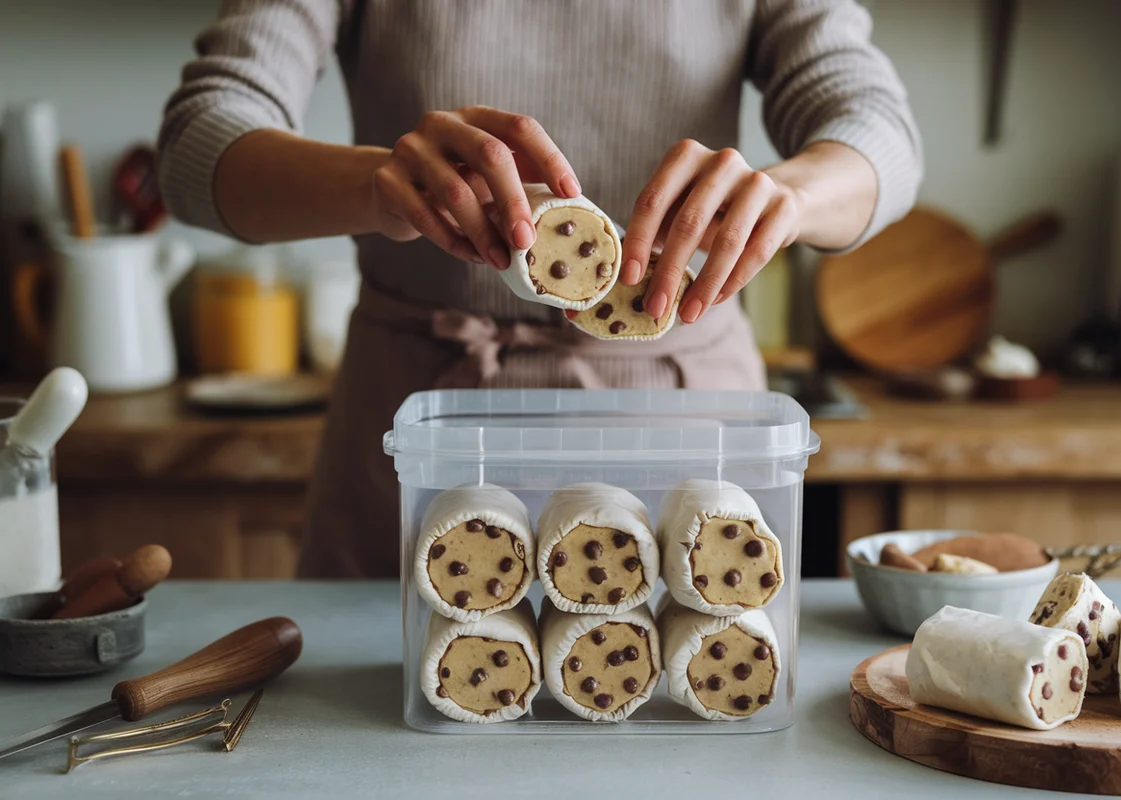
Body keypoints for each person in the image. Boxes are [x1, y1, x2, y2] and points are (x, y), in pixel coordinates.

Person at [157, 0, 922, 578]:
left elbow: (877, 129)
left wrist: (788, 196)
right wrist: (381, 185)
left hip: (680, 424)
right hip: (425, 425)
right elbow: (198, 141)